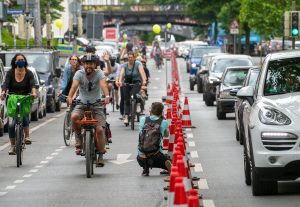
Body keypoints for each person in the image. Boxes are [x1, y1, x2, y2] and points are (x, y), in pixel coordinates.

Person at [67, 53, 110, 166]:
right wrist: (70, 97)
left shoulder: (99, 73)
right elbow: (74, 86)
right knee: (74, 117)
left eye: (91, 63)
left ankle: (100, 155)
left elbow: (103, 85)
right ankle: (78, 138)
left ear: (95, 64)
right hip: (81, 103)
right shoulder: (79, 74)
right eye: (86, 63)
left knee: (100, 130)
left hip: (97, 104)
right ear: (83, 64)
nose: (88, 65)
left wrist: (106, 96)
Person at [1, 53, 37, 154]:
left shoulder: (29, 73)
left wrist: (33, 93)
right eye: (18, 59)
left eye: (22, 59)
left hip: (25, 99)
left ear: (24, 61)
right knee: (12, 125)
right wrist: (3, 92)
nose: (20, 61)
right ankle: (12, 146)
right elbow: (5, 84)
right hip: (12, 99)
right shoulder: (11, 72)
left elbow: (32, 84)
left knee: (24, 116)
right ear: (15, 62)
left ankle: (27, 136)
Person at [137, 102, 172, 176]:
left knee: (142, 153)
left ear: (151, 111)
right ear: (162, 112)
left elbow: (140, 134)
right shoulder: (164, 122)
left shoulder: (143, 119)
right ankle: (167, 164)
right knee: (168, 159)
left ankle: (145, 168)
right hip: (156, 156)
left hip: (141, 158)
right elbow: (166, 135)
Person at [116, 51, 147, 124]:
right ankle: (126, 116)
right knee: (126, 100)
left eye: (131, 57)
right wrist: (120, 81)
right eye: (129, 57)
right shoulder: (124, 65)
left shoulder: (138, 64)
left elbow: (142, 73)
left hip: (136, 82)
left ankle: (138, 104)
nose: (130, 59)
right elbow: (121, 74)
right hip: (127, 83)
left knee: (134, 94)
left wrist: (144, 81)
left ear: (134, 58)